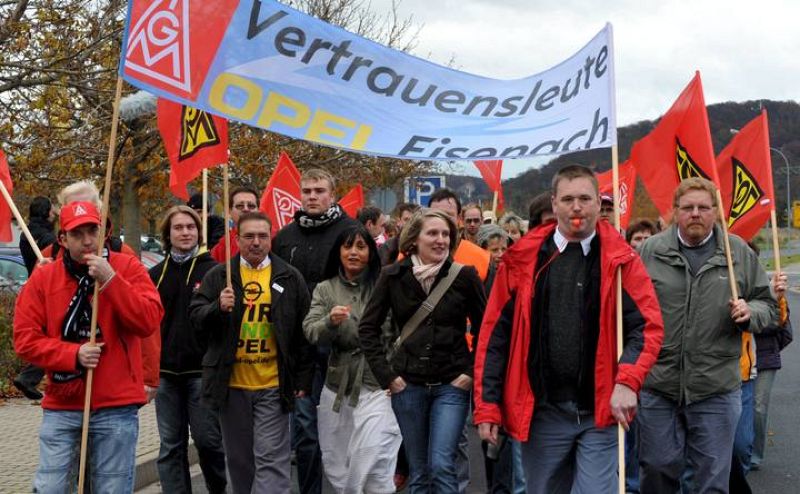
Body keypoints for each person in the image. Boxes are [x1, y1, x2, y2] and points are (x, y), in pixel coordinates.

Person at [474, 164, 664, 494]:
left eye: (585, 198)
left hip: (599, 411)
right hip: (542, 413)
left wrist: (628, 381)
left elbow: (647, 327)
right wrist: (488, 404)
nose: (577, 207)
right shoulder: (522, 261)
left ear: (597, 203)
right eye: (568, 199)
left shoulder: (622, 260)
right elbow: (495, 338)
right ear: (554, 202)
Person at [637, 177, 777, 493]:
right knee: (657, 471)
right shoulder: (650, 251)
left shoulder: (738, 252)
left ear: (716, 211)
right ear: (674, 212)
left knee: (712, 480)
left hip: (716, 386)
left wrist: (749, 313)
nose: (696, 213)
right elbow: (627, 307)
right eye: (688, 208)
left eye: (704, 207)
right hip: (659, 384)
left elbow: (768, 305)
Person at [14, 201, 163, 492]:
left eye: (92, 231)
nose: (87, 241)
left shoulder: (127, 267)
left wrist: (110, 280)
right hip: (62, 404)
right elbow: (24, 340)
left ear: (103, 232)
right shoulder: (44, 277)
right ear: (62, 239)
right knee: (50, 487)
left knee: (111, 488)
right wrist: (73, 354)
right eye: (77, 234)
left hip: (115, 406)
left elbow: (148, 321)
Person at [359, 208, 486, 493]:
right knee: (417, 471)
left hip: (451, 384)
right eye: (433, 233)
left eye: (445, 234)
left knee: (441, 465)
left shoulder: (464, 276)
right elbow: (368, 328)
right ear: (414, 239)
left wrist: (469, 372)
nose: (440, 239)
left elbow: (486, 329)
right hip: (408, 385)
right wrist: (388, 376)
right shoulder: (392, 275)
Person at [190, 211, 314, 494]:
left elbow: (303, 332)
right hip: (231, 385)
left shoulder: (289, 277)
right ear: (237, 239)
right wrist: (216, 308)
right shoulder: (220, 276)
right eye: (249, 236)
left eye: (262, 236)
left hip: (272, 384)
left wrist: (303, 380)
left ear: (270, 238)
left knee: (272, 459)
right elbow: (195, 319)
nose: (256, 242)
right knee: (239, 461)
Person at [272, 168, 359, 494]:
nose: (312, 196)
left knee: (343, 429)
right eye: (306, 190)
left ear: (332, 194)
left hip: (340, 347)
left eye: (319, 190)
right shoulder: (285, 237)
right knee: (306, 432)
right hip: (301, 347)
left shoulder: (352, 232)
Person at [303, 225, 401, 493]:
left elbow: (402, 330)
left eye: (361, 246)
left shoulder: (387, 283)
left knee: (374, 457)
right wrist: (329, 322)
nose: (354, 253)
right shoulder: (325, 289)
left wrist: (397, 373)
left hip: (380, 384)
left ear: (371, 252)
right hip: (338, 388)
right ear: (339, 252)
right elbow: (311, 330)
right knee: (338, 463)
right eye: (348, 247)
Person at [149, 206, 226, 494]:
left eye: (190, 227)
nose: (185, 232)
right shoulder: (154, 274)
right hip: (166, 374)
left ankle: (219, 488)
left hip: (202, 372)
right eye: (178, 228)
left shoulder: (215, 273)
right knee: (171, 446)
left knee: (208, 442)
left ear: (199, 232)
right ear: (168, 234)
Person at [14, 196, 57, 400]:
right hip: (46, 289)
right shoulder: (48, 238)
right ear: (47, 212)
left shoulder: (26, 234)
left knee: (45, 336)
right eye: (52, 210)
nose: (55, 213)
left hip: (33, 285)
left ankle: (29, 378)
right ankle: (28, 378)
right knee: (54, 336)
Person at [752, 272, 792, 470]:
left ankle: (754, 456)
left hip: (764, 357)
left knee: (758, 408)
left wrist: (778, 298)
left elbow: (777, 323)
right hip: (734, 360)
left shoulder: (768, 287)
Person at [209, 186, 260, 263]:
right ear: (229, 211)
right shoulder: (222, 248)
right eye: (240, 206)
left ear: (258, 210)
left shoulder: (273, 239)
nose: (246, 209)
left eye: (251, 206)